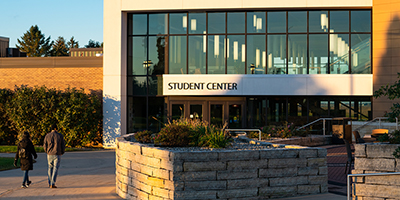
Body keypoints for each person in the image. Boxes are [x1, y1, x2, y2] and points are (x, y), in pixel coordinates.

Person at [43, 124, 65, 188]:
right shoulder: (60, 136)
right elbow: (63, 145)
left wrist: (47, 151)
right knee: (55, 168)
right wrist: (62, 152)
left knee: (50, 168)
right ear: (56, 128)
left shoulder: (47, 136)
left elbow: (44, 145)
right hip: (57, 153)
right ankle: (53, 183)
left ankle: (50, 182)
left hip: (49, 154)